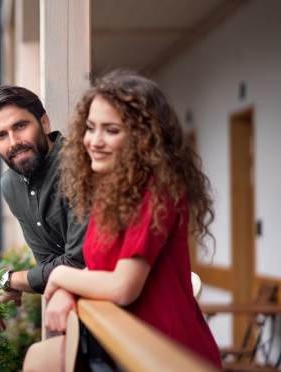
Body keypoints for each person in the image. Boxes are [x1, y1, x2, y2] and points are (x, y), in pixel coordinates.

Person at [42, 70, 222, 369]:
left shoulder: (157, 189)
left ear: (143, 138)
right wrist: (65, 290)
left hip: (169, 353)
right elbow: (100, 272)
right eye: (90, 127)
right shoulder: (112, 193)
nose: (94, 141)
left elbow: (123, 286)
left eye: (111, 130)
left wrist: (58, 276)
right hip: (131, 349)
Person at [0, 85, 87, 331]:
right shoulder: (10, 184)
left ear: (44, 124)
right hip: (75, 313)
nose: (14, 142)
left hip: (120, 310)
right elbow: (48, 264)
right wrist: (40, 278)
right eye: (1, 135)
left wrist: (11, 280)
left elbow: (78, 264)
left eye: (20, 126)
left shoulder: (81, 165)